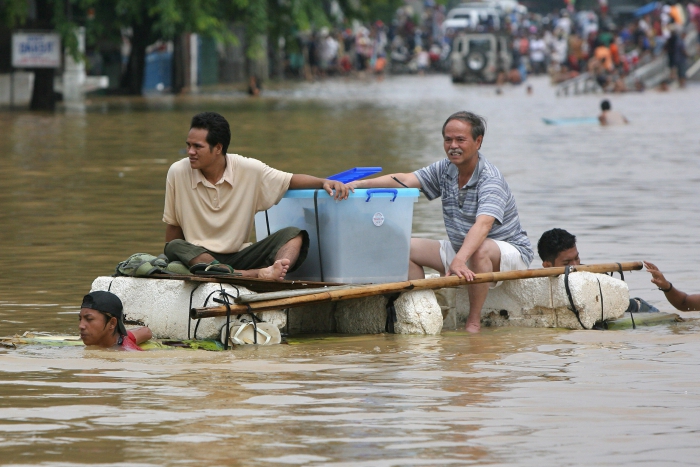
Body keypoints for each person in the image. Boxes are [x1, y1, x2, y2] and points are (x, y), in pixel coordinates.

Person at [349, 111, 533, 333]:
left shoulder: (490, 179)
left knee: (479, 249)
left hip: (507, 252)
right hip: (461, 248)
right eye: (448, 139)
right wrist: (357, 185)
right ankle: (424, 309)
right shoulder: (445, 169)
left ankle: (473, 323)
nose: (453, 145)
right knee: (400, 246)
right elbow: (406, 180)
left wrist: (459, 260)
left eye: (460, 140)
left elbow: (483, 225)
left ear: (478, 142)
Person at [163, 112, 350, 281]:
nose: (190, 152)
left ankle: (275, 271)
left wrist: (323, 182)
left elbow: (290, 179)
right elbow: (173, 225)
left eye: (197, 147)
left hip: (239, 255)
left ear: (218, 148)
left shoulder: (249, 169)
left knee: (294, 235)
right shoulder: (177, 172)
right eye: (188, 145)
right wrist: (168, 258)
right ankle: (254, 275)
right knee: (174, 246)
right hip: (198, 256)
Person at [537, 228, 658, 313]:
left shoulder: (596, 278)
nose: (575, 265)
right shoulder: (538, 286)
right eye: (566, 263)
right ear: (547, 266)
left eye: (576, 258)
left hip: (640, 309)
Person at [79, 291, 152, 350]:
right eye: (80, 319)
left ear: (112, 323)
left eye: (89, 319)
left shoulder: (126, 354)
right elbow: (146, 331)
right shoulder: (125, 338)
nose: (81, 326)